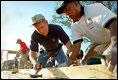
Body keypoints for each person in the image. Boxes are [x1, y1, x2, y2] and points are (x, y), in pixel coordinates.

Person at [56, 1, 117, 73]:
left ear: (76, 3)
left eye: (67, 9)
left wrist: (114, 45)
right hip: (102, 46)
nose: (66, 13)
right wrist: (67, 63)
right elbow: (76, 48)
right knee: (91, 61)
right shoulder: (74, 26)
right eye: (64, 12)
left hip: (114, 40)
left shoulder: (94, 8)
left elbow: (113, 23)